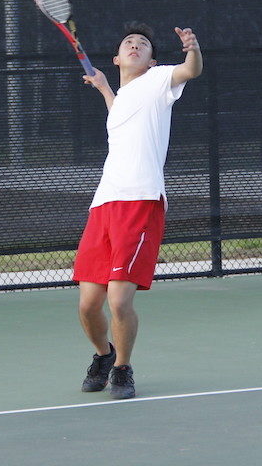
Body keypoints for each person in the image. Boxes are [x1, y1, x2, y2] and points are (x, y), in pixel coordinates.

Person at [72, 22, 202, 399]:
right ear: (116, 58)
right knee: (88, 304)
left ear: (152, 60)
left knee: (118, 299)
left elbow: (190, 71)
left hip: (141, 202)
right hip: (103, 205)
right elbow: (121, 116)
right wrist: (103, 88)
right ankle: (103, 353)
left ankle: (122, 367)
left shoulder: (160, 81)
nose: (134, 45)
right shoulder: (123, 98)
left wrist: (192, 49)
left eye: (142, 44)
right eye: (128, 42)